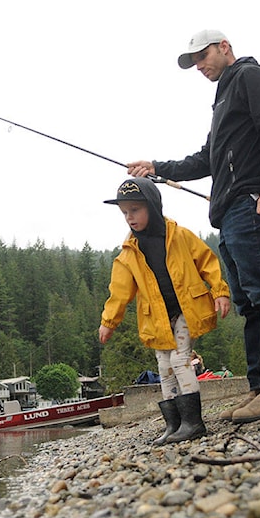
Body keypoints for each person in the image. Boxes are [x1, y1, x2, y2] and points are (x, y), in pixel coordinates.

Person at [127, 29, 260, 424]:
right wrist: (158, 169)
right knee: (249, 302)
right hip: (229, 215)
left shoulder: (250, 77)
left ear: (225, 47)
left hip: (250, 205)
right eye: (194, 63)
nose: (200, 66)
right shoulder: (223, 98)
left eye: (203, 57)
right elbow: (207, 159)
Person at [98, 177, 231, 445]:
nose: (129, 218)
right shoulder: (128, 252)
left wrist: (220, 291)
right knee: (163, 365)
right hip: (157, 318)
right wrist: (108, 321)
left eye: (135, 210)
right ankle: (174, 424)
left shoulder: (179, 236)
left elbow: (207, 261)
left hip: (186, 309)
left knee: (180, 360)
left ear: (153, 206)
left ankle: (194, 422)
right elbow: (120, 291)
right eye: (124, 212)